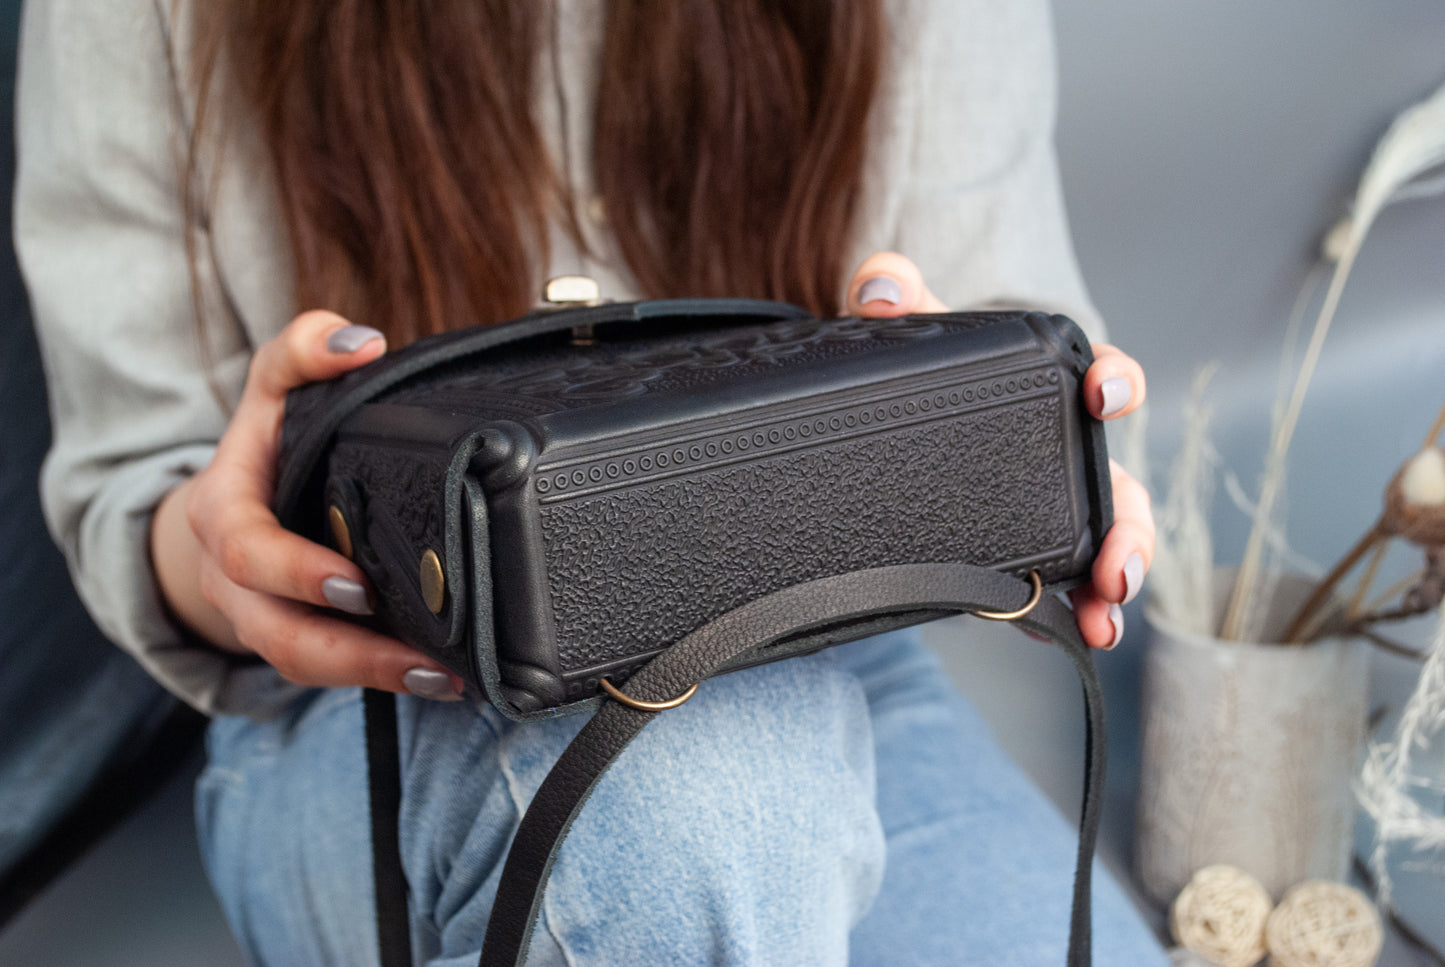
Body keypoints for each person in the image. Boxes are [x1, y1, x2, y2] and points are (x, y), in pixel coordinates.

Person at [15, 0, 1165, 963]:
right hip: (370, 712)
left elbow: (1010, 330)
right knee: (707, 796)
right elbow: (136, 476)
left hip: (828, 654)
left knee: (739, 790)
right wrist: (226, 548)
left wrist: (1052, 457)